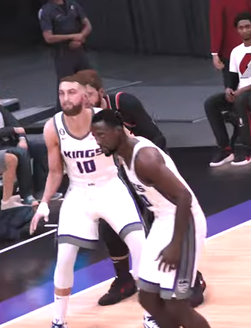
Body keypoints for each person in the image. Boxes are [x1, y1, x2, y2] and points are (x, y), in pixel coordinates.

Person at [72, 69, 207, 307]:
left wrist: (176, 245)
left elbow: (182, 194)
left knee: (180, 301)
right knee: (146, 287)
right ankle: (127, 281)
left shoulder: (130, 121)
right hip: (135, 189)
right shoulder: (96, 134)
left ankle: (190, 276)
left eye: (88, 95)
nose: (85, 101)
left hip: (166, 195)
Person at [29, 77, 146, 328]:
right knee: (64, 256)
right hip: (79, 192)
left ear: (84, 96)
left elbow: (132, 148)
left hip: (110, 186)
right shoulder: (53, 127)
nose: (66, 98)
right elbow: (55, 172)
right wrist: (44, 202)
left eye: (71, 92)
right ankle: (58, 321)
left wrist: (148, 183)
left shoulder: (104, 119)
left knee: (140, 244)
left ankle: (151, 314)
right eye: (61, 93)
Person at [91, 109, 211, 328]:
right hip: (162, 220)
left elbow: (183, 197)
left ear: (118, 131)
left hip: (185, 222)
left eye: (101, 135)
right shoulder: (122, 156)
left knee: (177, 305)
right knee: (147, 296)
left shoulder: (145, 159)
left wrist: (176, 245)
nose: (98, 141)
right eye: (94, 136)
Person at [204, 12, 251, 167]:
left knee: (241, 100)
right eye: (241, 28)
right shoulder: (236, 51)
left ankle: (250, 149)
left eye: (247, 27)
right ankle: (225, 149)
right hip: (241, 93)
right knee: (211, 103)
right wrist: (229, 89)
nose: (244, 30)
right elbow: (234, 78)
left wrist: (242, 91)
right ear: (237, 30)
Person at [38, 0, 93, 111]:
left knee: (90, 82)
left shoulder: (72, 4)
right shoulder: (46, 11)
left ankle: (94, 113)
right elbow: (48, 37)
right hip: (63, 54)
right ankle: (62, 117)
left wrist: (81, 37)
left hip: (79, 51)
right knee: (66, 88)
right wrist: (73, 36)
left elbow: (87, 25)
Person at [209, 0, 251, 87]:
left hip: (229, 50)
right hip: (248, 43)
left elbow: (216, 25)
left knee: (232, 86)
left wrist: (215, 53)